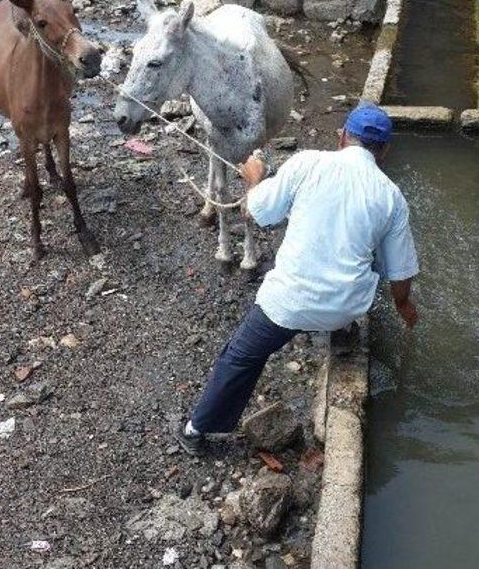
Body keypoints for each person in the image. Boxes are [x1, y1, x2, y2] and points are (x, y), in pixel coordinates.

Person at [176, 103, 419, 456]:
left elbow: (256, 212)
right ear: (384, 151)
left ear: (341, 138)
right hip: (345, 308)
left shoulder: (307, 163)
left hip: (286, 305)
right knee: (370, 256)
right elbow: (400, 271)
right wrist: (403, 306)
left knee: (240, 357)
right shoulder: (392, 197)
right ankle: (344, 329)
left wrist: (254, 178)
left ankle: (195, 432)